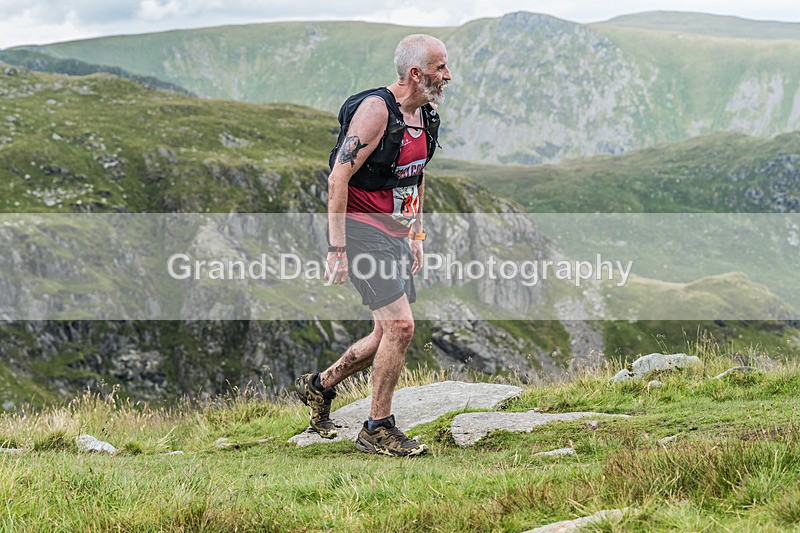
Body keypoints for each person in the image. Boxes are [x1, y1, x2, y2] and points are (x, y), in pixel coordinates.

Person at [296, 34, 451, 457]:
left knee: (385, 331)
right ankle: (377, 427)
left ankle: (320, 386)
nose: (448, 75)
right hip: (361, 231)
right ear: (416, 73)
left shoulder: (428, 117)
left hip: (395, 232)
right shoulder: (375, 111)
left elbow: (415, 176)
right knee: (401, 327)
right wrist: (337, 249)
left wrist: (416, 234)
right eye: (441, 68)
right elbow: (337, 178)